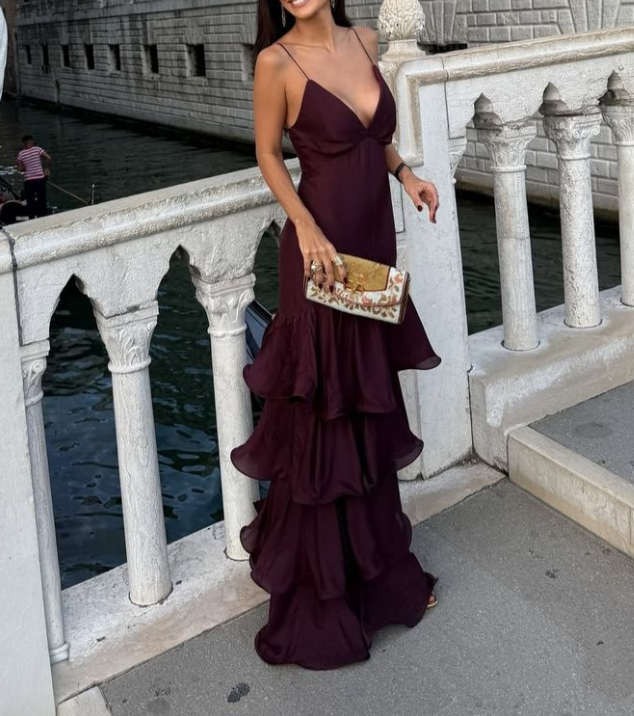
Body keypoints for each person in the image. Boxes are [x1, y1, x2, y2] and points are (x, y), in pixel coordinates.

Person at [230, 0, 442, 670]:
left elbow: (373, 140)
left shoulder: (366, 40)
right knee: (325, 418)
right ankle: (324, 602)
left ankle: (380, 582)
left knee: (366, 412)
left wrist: (406, 174)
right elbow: (268, 154)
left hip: (372, 250)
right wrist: (306, 226)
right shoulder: (276, 62)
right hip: (321, 259)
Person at [17, 135, 51, 219]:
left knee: (30, 201)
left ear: (24, 143)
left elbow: (20, 169)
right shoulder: (37, 149)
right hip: (39, 179)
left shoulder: (21, 154)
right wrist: (46, 169)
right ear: (31, 141)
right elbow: (48, 158)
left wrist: (26, 166)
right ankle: (42, 216)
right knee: (41, 199)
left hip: (28, 181)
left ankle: (31, 218)